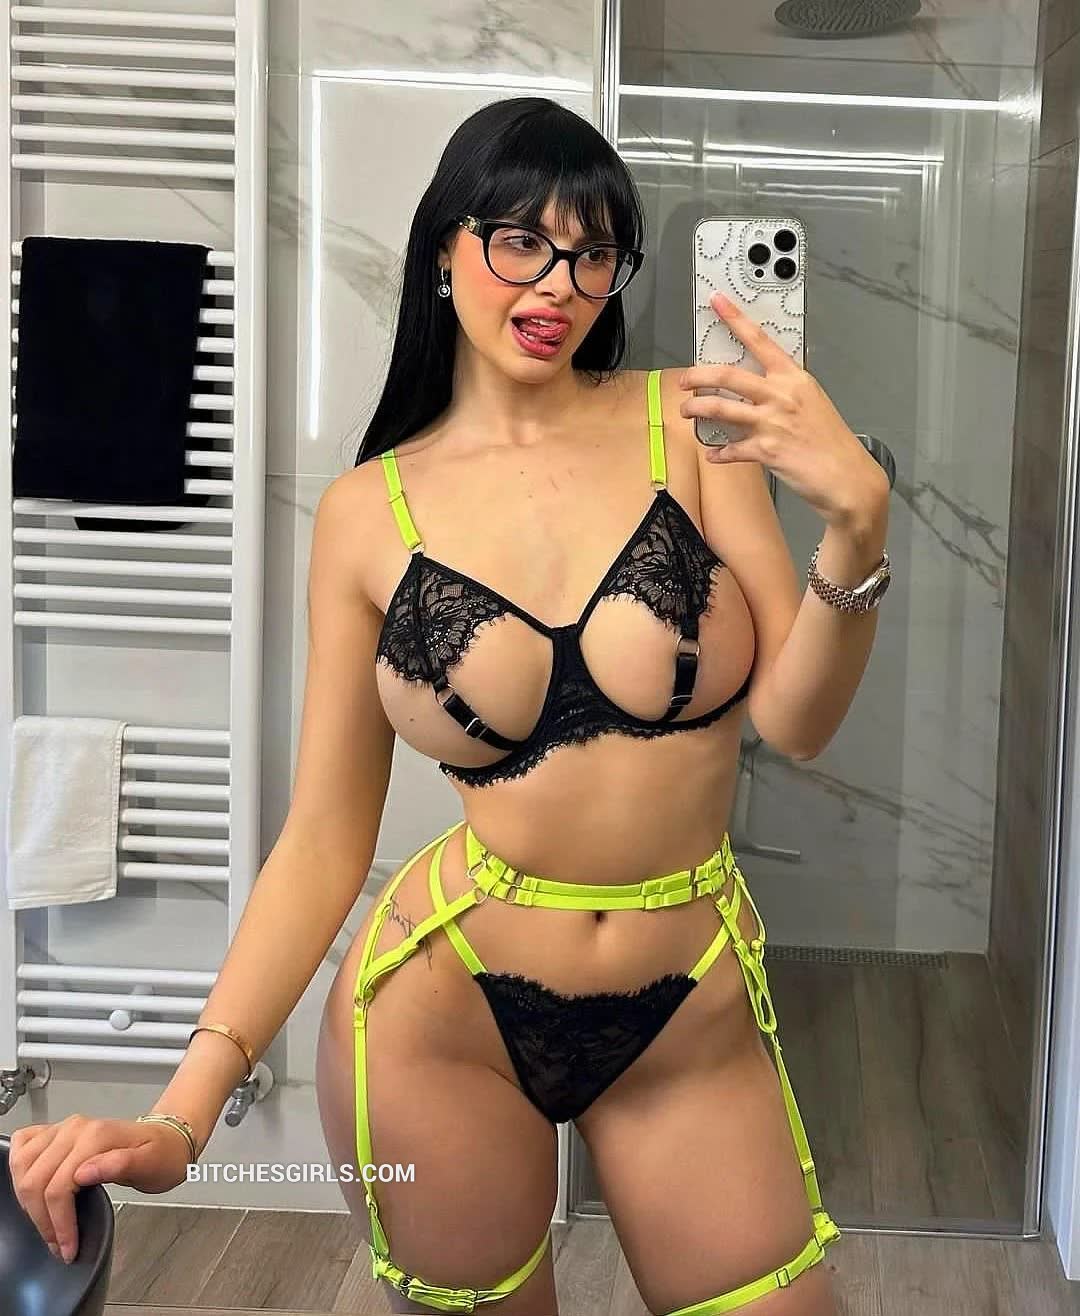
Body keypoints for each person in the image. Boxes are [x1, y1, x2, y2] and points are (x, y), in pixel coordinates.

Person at [7, 96, 891, 1315]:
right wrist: (182, 1114)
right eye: (519, 238)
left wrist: (857, 525)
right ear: (443, 249)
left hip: (688, 1003)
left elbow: (797, 719)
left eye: (592, 252)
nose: (558, 283)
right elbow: (323, 839)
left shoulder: (690, 426)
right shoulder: (365, 513)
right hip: (441, 1019)